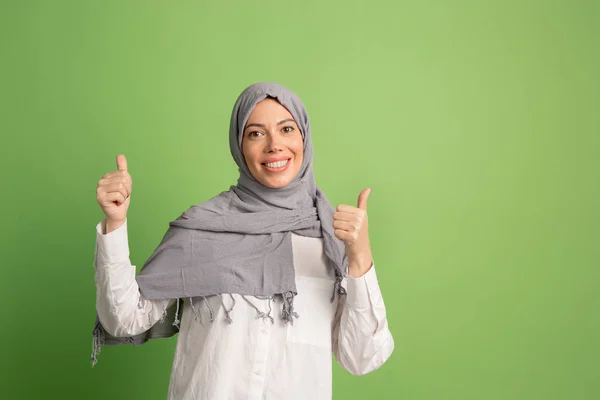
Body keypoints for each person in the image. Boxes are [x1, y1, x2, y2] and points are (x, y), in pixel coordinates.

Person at [91, 82, 394, 400]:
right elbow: (122, 319)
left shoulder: (333, 241)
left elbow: (363, 358)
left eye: (286, 128)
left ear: (303, 136)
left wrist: (360, 260)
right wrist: (115, 223)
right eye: (256, 133)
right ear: (239, 146)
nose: (274, 145)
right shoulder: (202, 230)